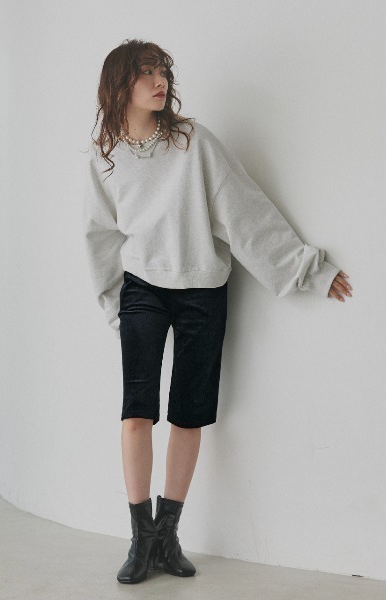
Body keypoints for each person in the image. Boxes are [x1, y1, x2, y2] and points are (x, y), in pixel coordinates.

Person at [82, 39, 353, 585]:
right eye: (145, 73)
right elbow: (100, 236)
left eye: (162, 71)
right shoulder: (104, 155)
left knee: (189, 412)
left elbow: (243, 210)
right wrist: (115, 306)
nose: (159, 81)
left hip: (202, 287)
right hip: (140, 288)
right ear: (119, 85)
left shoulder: (193, 142)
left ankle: (167, 536)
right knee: (136, 411)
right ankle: (140, 540)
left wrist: (307, 269)